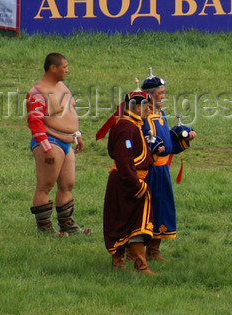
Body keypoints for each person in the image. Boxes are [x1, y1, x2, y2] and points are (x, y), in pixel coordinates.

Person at [26, 53, 90, 236]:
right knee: (45, 185)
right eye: (64, 67)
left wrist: (77, 135)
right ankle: (45, 228)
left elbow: (69, 113)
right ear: (53, 68)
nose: (67, 70)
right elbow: (35, 122)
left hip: (66, 142)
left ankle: (67, 224)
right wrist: (46, 148)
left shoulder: (62, 87)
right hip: (50, 141)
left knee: (67, 184)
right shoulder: (38, 92)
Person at [140, 70, 197, 262]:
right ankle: (136, 251)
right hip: (146, 172)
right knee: (145, 209)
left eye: (164, 93)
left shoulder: (160, 113)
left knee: (162, 208)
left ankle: (154, 250)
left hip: (162, 171)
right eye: (159, 94)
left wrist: (182, 137)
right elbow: (141, 141)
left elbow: (167, 145)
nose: (163, 97)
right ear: (148, 95)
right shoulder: (139, 115)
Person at [102, 91, 156, 275]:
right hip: (128, 182)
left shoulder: (133, 124)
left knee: (125, 222)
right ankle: (140, 266)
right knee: (133, 223)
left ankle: (120, 264)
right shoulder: (126, 127)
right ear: (137, 107)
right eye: (146, 107)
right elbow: (124, 159)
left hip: (129, 180)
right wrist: (136, 184)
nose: (149, 110)